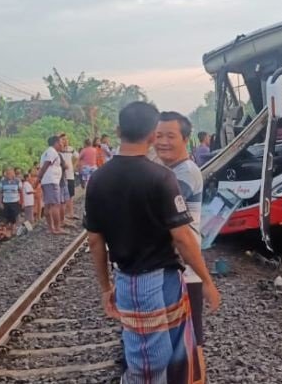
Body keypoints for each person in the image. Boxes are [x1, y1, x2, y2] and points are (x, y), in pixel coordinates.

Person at [85, 101, 221, 384]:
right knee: (151, 362)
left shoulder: (97, 180)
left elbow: (95, 242)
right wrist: (207, 281)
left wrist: (105, 287)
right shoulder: (161, 178)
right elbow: (182, 237)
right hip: (156, 280)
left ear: (118, 130)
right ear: (150, 135)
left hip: (131, 278)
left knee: (164, 354)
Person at [155, 111, 208, 381]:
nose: (162, 141)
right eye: (158, 135)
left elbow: (158, 216)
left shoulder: (184, 174)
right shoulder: (169, 172)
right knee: (182, 339)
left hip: (186, 270)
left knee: (191, 341)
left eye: (170, 136)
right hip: (177, 269)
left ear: (186, 139)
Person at [38, 135, 64, 234]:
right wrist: (37, 180)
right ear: (56, 143)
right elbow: (45, 166)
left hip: (47, 181)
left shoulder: (47, 151)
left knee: (48, 205)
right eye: (61, 142)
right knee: (55, 205)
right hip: (51, 181)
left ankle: (51, 228)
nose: (62, 144)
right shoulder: (52, 152)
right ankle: (57, 228)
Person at [0, 167, 23, 236]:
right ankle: (6, 232)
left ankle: (14, 230)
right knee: (5, 218)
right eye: (7, 173)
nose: (8, 175)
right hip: (6, 201)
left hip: (15, 201)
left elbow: (21, 192)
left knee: (15, 216)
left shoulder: (17, 181)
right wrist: (0, 202)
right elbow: (0, 192)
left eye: (10, 173)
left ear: (13, 174)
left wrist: (22, 201)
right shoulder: (2, 181)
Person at [59, 133, 78, 220]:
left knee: (70, 195)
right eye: (63, 139)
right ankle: (63, 215)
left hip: (70, 175)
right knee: (63, 196)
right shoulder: (58, 151)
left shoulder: (71, 149)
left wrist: (74, 166)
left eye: (66, 139)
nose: (65, 141)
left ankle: (71, 213)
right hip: (61, 177)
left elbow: (77, 157)